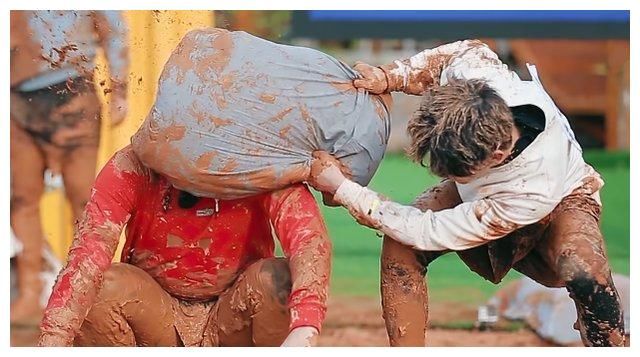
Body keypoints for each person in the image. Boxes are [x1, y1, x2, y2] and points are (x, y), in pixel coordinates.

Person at [309, 39, 625, 347]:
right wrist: (387, 76)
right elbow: (456, 54)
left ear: (497, 155)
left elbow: (424, 230)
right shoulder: (478, 74)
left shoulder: (530, 191)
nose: (441, 174)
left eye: (453, 171)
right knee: (400, 247)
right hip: (483, 185)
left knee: (583, 268)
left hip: (562, 197)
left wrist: (344, 189)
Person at [38, 146, 331, 347]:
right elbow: (89, 253)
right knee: (99, 288)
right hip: (154, 318)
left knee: (278, 279)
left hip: (234, 314)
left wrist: (305, 326)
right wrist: (53, 341)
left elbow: (308, 240)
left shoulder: (259, 162)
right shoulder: (134, 164)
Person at [10, 10, 129, 324]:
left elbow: (112, 24)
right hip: (15, 100)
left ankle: (94, 294)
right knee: (20, 199)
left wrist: (119, 88)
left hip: (71, 91)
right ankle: (30, 296)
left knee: (83, 199)